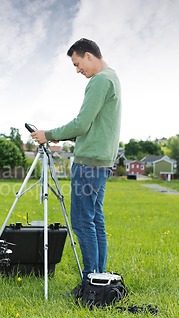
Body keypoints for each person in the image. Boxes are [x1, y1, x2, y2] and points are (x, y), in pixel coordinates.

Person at [31, 38, 121, 286]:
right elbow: (89, 126)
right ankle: (99, 277)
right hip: (101, 162)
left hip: (90, 163)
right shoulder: (112, 77)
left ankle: (90, 281)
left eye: (77, 63)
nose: (77, 69)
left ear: (89, 56)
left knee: (82, 222)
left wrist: (47, 135)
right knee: (95, 220)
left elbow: (82, 124)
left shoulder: (100, 80)